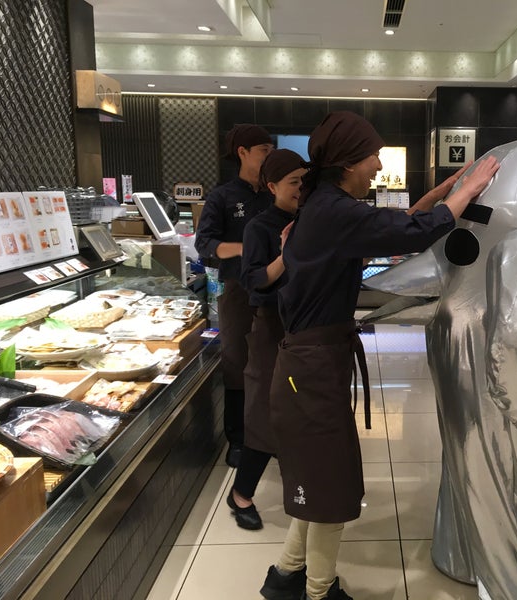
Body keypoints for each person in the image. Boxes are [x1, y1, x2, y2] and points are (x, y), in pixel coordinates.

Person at [258, 111, 500, 600]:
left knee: (319, 478)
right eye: (373, 156)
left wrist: (447, 191)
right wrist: (468, 192)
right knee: (331, 486)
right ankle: (319, 592)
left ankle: (285, 576)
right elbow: (413, 233)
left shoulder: (325, 205)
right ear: (349, 162)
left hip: (309, 366)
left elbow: (399, 224)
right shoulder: (332, 211)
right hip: (310, 371)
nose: (378, 165)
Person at [227, 149, 306, 530]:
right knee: (263, 412)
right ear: (272, 186)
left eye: (304, 180)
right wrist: (286, 254)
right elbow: (254, 280)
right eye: (293, 182)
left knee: (298, 412)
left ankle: (301, 489)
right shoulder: (259, 227)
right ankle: (241, 493)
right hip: (270, 329)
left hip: (303, 329)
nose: (301, 188)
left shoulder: (310, 220)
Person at [195, 124, 275, 467]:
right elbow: (204, 244)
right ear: (243, 152)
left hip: (278, 289)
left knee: (273, 361)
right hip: (238, 290)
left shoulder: (276, 191)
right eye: (264, 151)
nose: (269, 156)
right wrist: (245, 247)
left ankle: (270, 434)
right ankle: (238, 439)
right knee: (237, 363)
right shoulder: (223, 196)